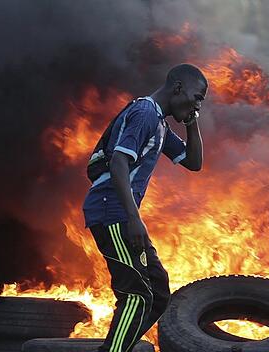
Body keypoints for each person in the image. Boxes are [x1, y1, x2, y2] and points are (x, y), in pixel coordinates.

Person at [82, 63, 207, 352]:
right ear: (177, 88)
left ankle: (117, 348)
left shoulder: (160, 124)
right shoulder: (145, 113)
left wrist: (191, 120)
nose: (198, 104)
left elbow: (193, 162)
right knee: (136, 294)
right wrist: (133, 218)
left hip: (121, 214)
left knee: (159, 292)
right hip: (112, 212)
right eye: (197, 97)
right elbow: (118, 162)